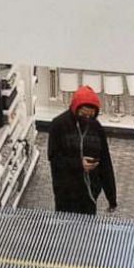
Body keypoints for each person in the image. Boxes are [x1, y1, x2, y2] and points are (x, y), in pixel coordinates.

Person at [47, 85, 118, 216]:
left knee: (87, 230)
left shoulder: (96, 128)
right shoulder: (58, 125)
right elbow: (54, 158)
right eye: (83, 114)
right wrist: (79, 164)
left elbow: (105, 163)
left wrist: (111, 197)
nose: (87, 119)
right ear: (75, 108)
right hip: (66, 192)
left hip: (89, 193)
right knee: (64, 228)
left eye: (91, 115)